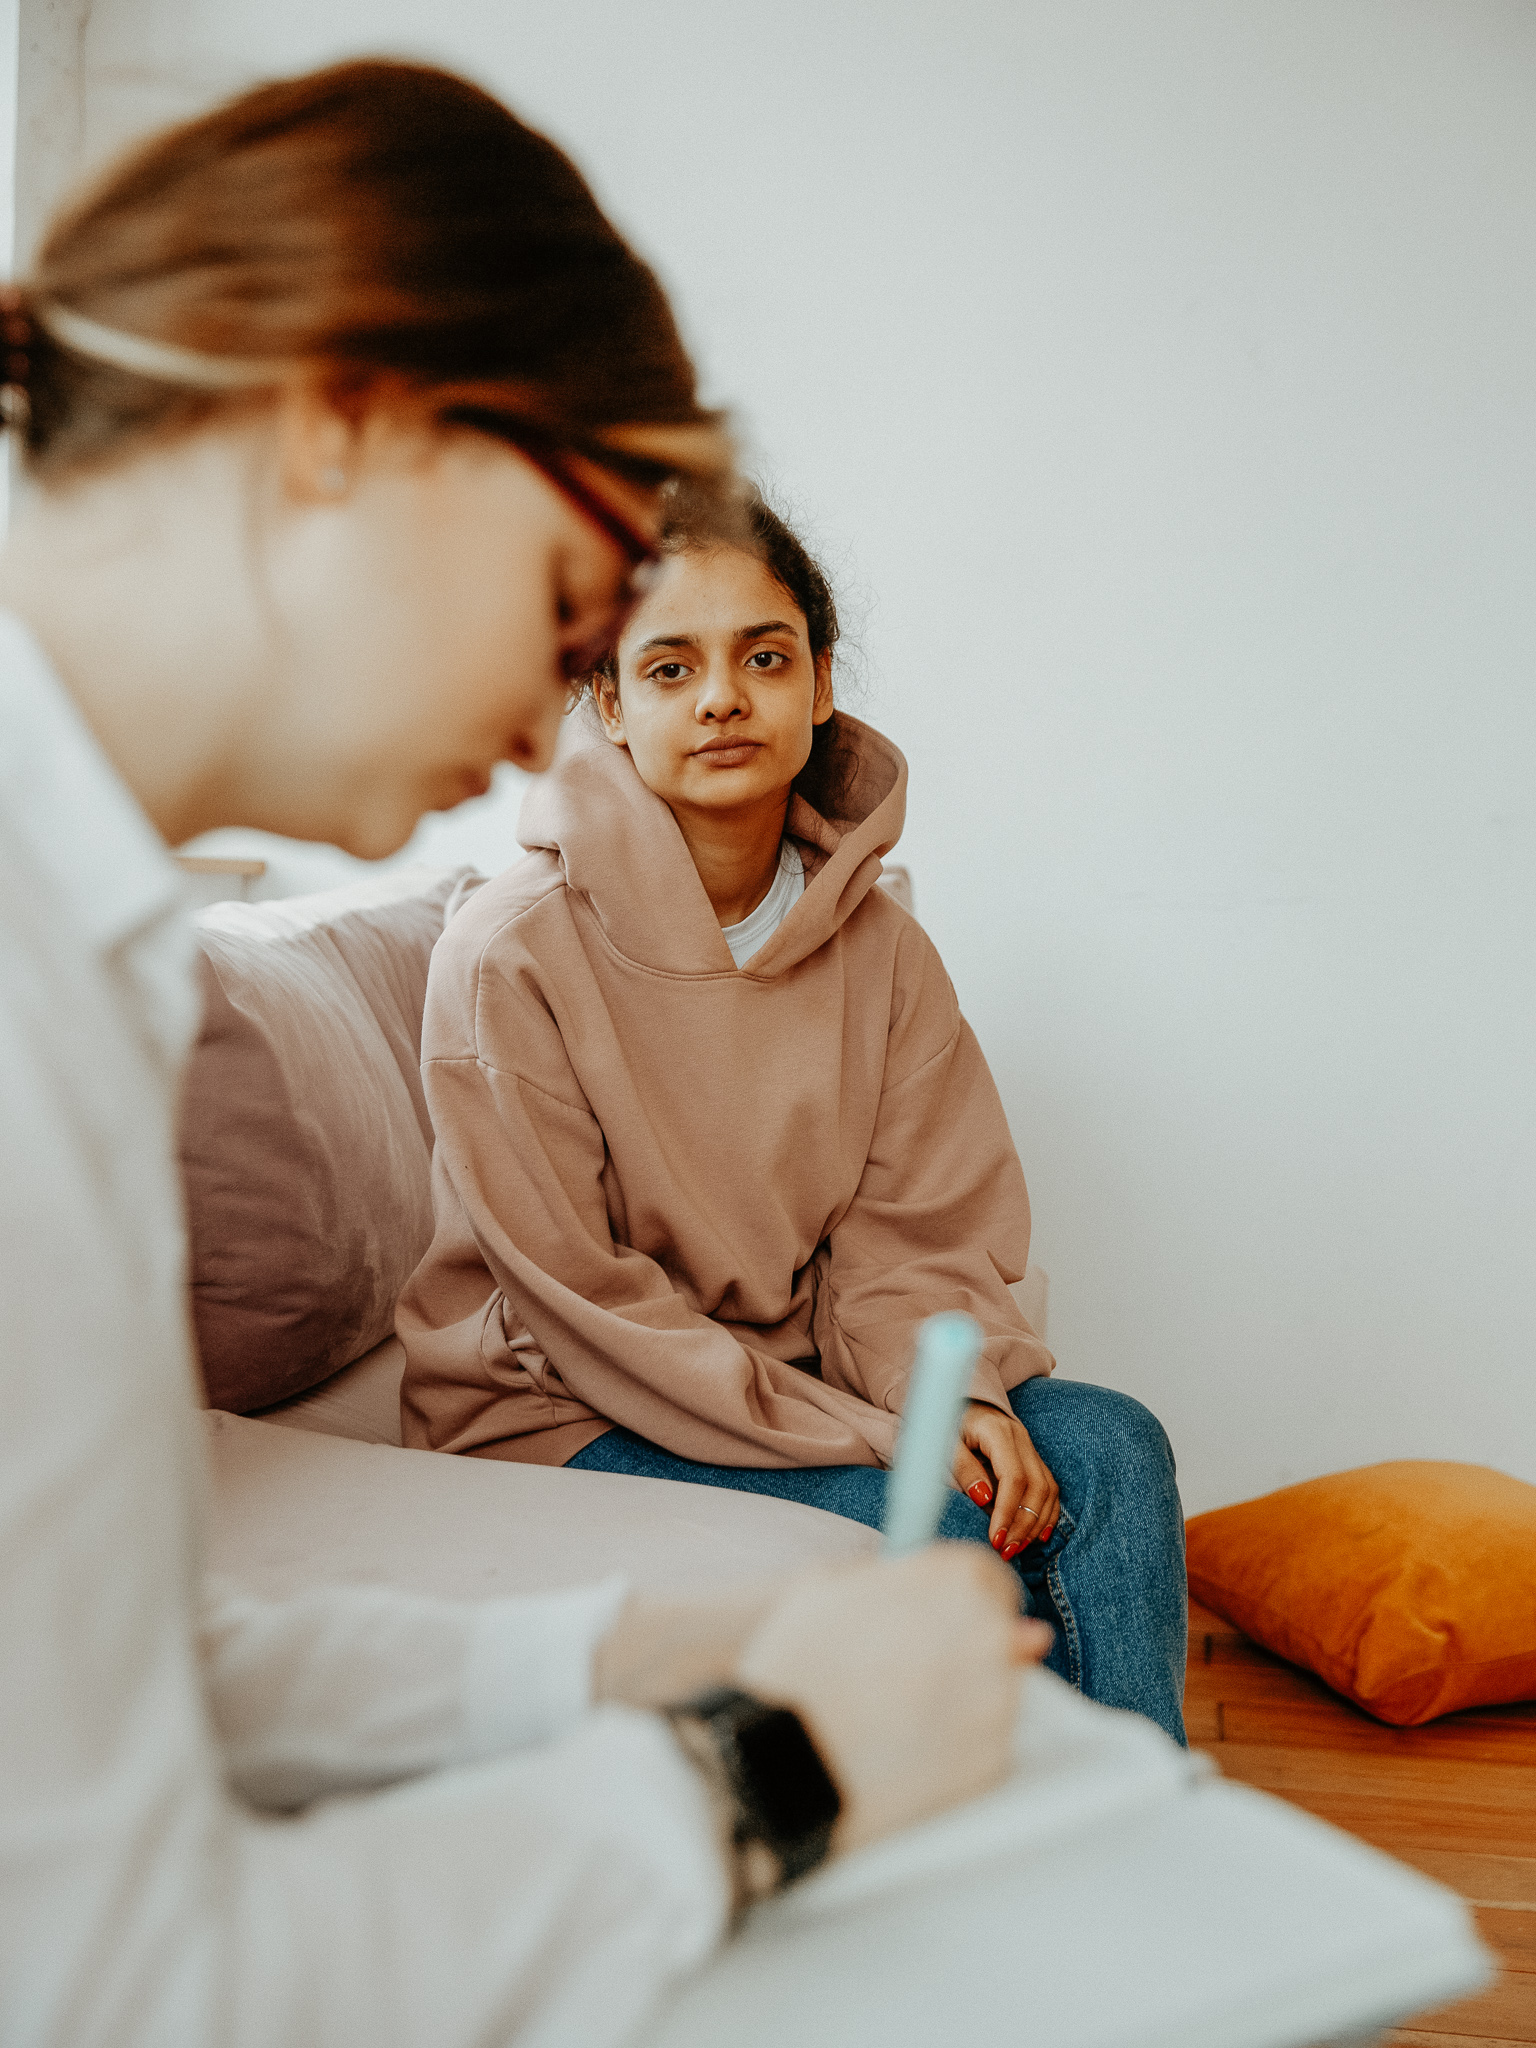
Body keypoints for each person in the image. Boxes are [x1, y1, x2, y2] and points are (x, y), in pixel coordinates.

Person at [0, 61, 1050, 2048]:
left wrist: (633, 1652)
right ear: (351, 429)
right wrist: (768, 1769)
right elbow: (109, 1987)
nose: (565, 705)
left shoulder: (87, 947)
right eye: (578, 605)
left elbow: (95, 1665)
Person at [397, 488, 1189, 1746]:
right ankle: (999, 1856)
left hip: (804, 1378)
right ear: (607, 700)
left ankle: (1143, 1842)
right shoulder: (507, 956)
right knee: (938, 1523)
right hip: (567, 1412)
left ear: (819, 682)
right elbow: (583, 1302)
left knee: (1110, 1449)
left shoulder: (883, 952)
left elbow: (913, 1238)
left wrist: (964, 1398)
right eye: (671, 664)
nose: (723, 697)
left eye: (763, 656)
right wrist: (890, 1438)